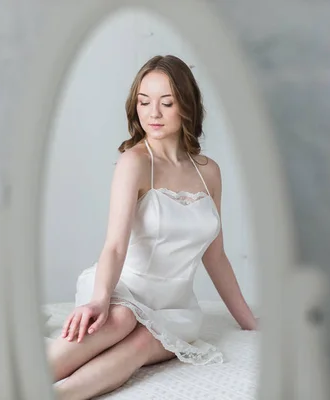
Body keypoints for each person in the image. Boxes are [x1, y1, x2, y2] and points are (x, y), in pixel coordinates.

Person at [47, 54, 258, 400]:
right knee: (122, 321)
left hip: (176, 308)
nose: (153, 113)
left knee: (143, 341)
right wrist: (100, 300)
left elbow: (215, 256)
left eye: (167, 102)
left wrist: (248, 320)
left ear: (186, 106)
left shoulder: (209, 172)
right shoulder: (135, 162)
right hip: (122, 290)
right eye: (144, 102)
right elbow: (115, 246)